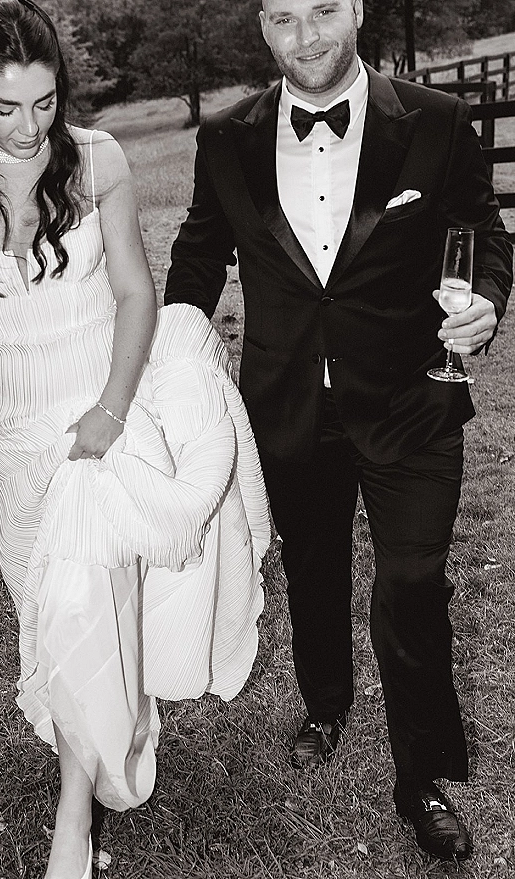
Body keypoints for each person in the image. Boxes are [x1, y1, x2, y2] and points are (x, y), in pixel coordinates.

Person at [165, 0, 513, 862]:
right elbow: (201, 252)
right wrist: (165, 353)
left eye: (324, 9)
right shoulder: (227, 139)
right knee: (314, 568)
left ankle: (421, 773)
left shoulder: (436, 122)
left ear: (356, 9)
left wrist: (486, 306)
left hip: (412, 399)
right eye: (283, 18)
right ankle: (325, 702)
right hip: (288, 405)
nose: (307, 36)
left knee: (412, 582)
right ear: (262, 27)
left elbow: (481, 236)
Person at [0, 2, 270, 878]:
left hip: (98, 399)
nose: (27, 125)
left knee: (86, 591)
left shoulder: (98, 160)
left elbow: (134, 293)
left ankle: (71, 824)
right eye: (4, 107)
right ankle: (103, 727)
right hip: (10, 424)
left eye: (43, 103)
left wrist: (114, 410)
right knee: (45, 610)